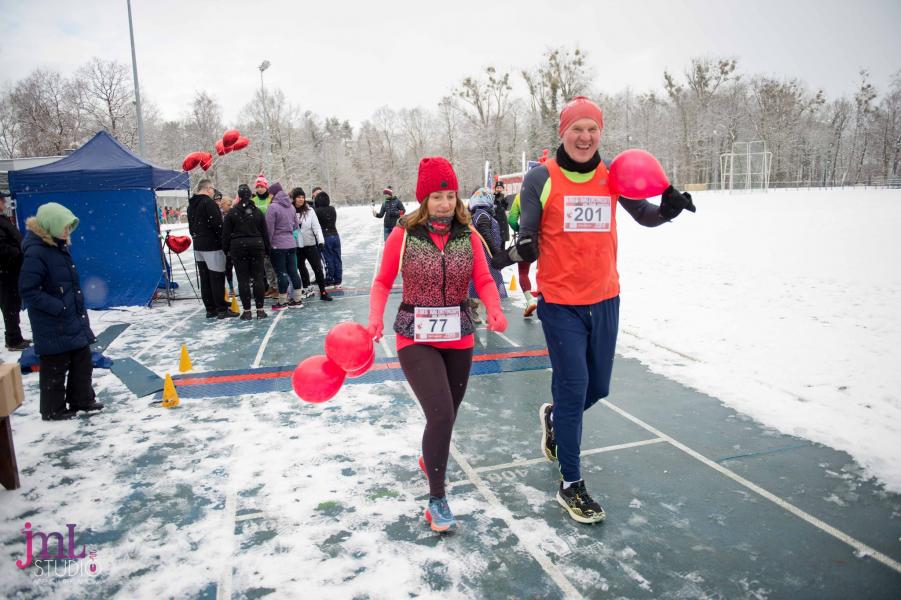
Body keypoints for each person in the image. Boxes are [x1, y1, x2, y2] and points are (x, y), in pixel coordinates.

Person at [494, 96, 696, 524]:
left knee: (598, 388)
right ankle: (571, 484)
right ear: (563, 132)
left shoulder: (612, 175)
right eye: (577, 129)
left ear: (600, 133)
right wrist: (523, 246)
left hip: (605, 298)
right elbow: (527, 230)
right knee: (573, 388)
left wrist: (668, 210)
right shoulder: (540, 178)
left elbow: (645, 215)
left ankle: (554, 419)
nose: (585, 137)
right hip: (560, 303)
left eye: (592, 129)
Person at [368, 157, 508, 532]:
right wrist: (374, 318)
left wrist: (494, 308)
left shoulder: (468, 234)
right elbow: (382, 282)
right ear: (423, 199)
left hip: (459, 334)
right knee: (442, 414)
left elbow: (485, 278)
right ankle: (437, 499)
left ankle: (430, 457)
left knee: (445, 416)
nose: (445, 203)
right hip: (415, 335)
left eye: (450, 195)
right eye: (437, 196)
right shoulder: (404, 235)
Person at [19, 202, 103, 421]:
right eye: (64, 227)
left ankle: (82, 399)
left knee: (82, 358)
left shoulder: (58, 246)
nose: (68, 231)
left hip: (70, 317)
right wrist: (58, 306)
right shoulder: (36, 252)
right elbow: (28, 290)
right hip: (52, 321)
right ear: (51, 226)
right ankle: (52, 409)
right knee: (55, 366)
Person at [188, 179, 238, 319]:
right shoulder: (208, 203)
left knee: (205, 278)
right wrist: (223, 241)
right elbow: (218, 225)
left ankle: (210, 308)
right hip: (211, 245)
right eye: (212, 189)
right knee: (217, 277)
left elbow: (191, 226)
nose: (213, 192)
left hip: (198, 245)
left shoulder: (191, 204)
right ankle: (221, 308)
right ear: (208, 189)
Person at [222, 184, 270, 320]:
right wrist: (267, 249)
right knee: (258, 279)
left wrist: (226, 249)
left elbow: (225, 234)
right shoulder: (258, 212)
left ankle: (247, 311)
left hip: (238, 248)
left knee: (243, 280)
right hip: (256, 246)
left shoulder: (232, 213)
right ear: (250, 196)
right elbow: (265, 232)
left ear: (238, 196)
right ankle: (260, 310)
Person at [467, 188, 507, 323]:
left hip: (487, 255)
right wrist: (496, 252)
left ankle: (490, 311)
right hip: (486, 256)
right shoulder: (482, 215)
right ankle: (477, 311)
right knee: (484, 284)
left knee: (486, 285)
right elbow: (485, 234)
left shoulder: (481, 214)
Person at [264, 183, 305, 310]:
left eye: (270, 194)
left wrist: (267, 245)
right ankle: (297, 299)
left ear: (274, 194)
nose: (269, 196)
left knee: (281, 273)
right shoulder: (291, 207)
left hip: (277, 245)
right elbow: (296, 225)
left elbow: (269, 229)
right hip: (291, 244)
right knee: (293, 272)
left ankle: (282, 302)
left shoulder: (273, 207)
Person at [0, 192, 30, 351]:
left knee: (13, 304)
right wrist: (17, 252)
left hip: (12, 270)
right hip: (6, 272)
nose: (4, 202)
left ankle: (15, 337)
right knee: (10, 305)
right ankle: (13, 340)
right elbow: (2, 248)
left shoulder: (3, 219)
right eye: (1, 200)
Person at [292, 188, 332, 302]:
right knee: (301, 267)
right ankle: (307, 288)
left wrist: (320, 241)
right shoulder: (290, 210)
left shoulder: (310, 210)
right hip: (296, 245)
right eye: (298, 197)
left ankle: (323, 291)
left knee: (317, 268)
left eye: (302, 197)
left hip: (310, 243)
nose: (301, 199)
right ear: (294, 198)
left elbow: (316, 227)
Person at [506, 193, 538, 317]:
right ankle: (547, 301)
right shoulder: (546, 191)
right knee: (545, 271)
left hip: (527, 239)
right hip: (546, 237)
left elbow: (512, 220)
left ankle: (530, 300)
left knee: (523, 272)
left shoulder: (520, 196)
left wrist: (520, 229)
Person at [251, 174, 278, 298]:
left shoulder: (271, 199)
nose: (260, 189)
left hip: (272, 234)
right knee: (265, 264)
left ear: (266, 187)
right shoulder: (254, 200)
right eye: (258, 187)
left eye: (262, 186)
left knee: (274, 262)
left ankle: (278, 287)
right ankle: (272, 286)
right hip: (259, 235)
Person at [313, 190, 342, 287]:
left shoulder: (317, 211)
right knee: (337, 258)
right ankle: (338, 279)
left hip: (325, 236)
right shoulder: (332, 209)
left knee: (328, 258)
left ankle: (330, 278)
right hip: (335, 236)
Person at [216, 192, 235, 297]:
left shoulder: (234, 213)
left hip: (234, 244)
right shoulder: (219, 215)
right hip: (224, 245)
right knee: (227, 268)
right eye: (227, 204)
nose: (229, 207)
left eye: (230, 204)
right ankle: (230, 288)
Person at [492, 180, 511, 244]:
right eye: (497, 187)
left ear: (503, 189)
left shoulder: (505, 197)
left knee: (503, 243)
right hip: (496, 222)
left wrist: (503, 196)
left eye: (500, 187)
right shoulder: (492, 197)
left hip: (503, 223)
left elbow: (506, 206)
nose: (499, 189)